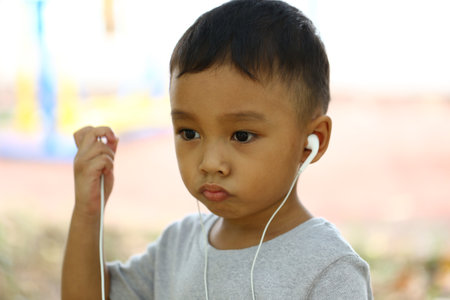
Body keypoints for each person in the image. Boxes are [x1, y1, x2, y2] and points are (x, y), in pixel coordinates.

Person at [62, 0, 373, 299]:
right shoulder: (178, 245)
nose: (210, 163)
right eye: (189, 132)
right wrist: (89, 213)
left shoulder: (329, 270)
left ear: (310, 142)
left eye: (241, 135)